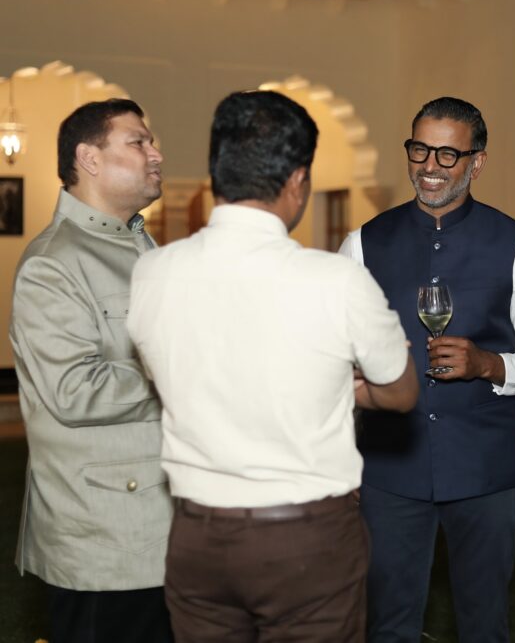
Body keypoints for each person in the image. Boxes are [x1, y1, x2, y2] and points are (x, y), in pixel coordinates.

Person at [127, 90, 418, 643]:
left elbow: (172, 374)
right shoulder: (336, 281)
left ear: (216, 173)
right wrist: (345, 387)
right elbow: (401, 392)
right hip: (306, 539)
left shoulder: (153, 273)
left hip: (196, 533)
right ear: (297, 181)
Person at [339, 96, 515, 643]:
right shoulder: (363, 244)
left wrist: (488, 363)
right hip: (391, 469)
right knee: (388, 625)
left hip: (486, 471)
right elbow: (336, 364)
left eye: (446, 154)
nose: (429, 166)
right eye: (419, 149)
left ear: (476, 162)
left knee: (484, 625)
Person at [9, 99, 173, 642]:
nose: (157, 154)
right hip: (106, 540)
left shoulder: (139, 244)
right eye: (139, 142)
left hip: (160, 527)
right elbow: (74, 391)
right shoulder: (54, 262)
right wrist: (188, 374)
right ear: (90, 158)